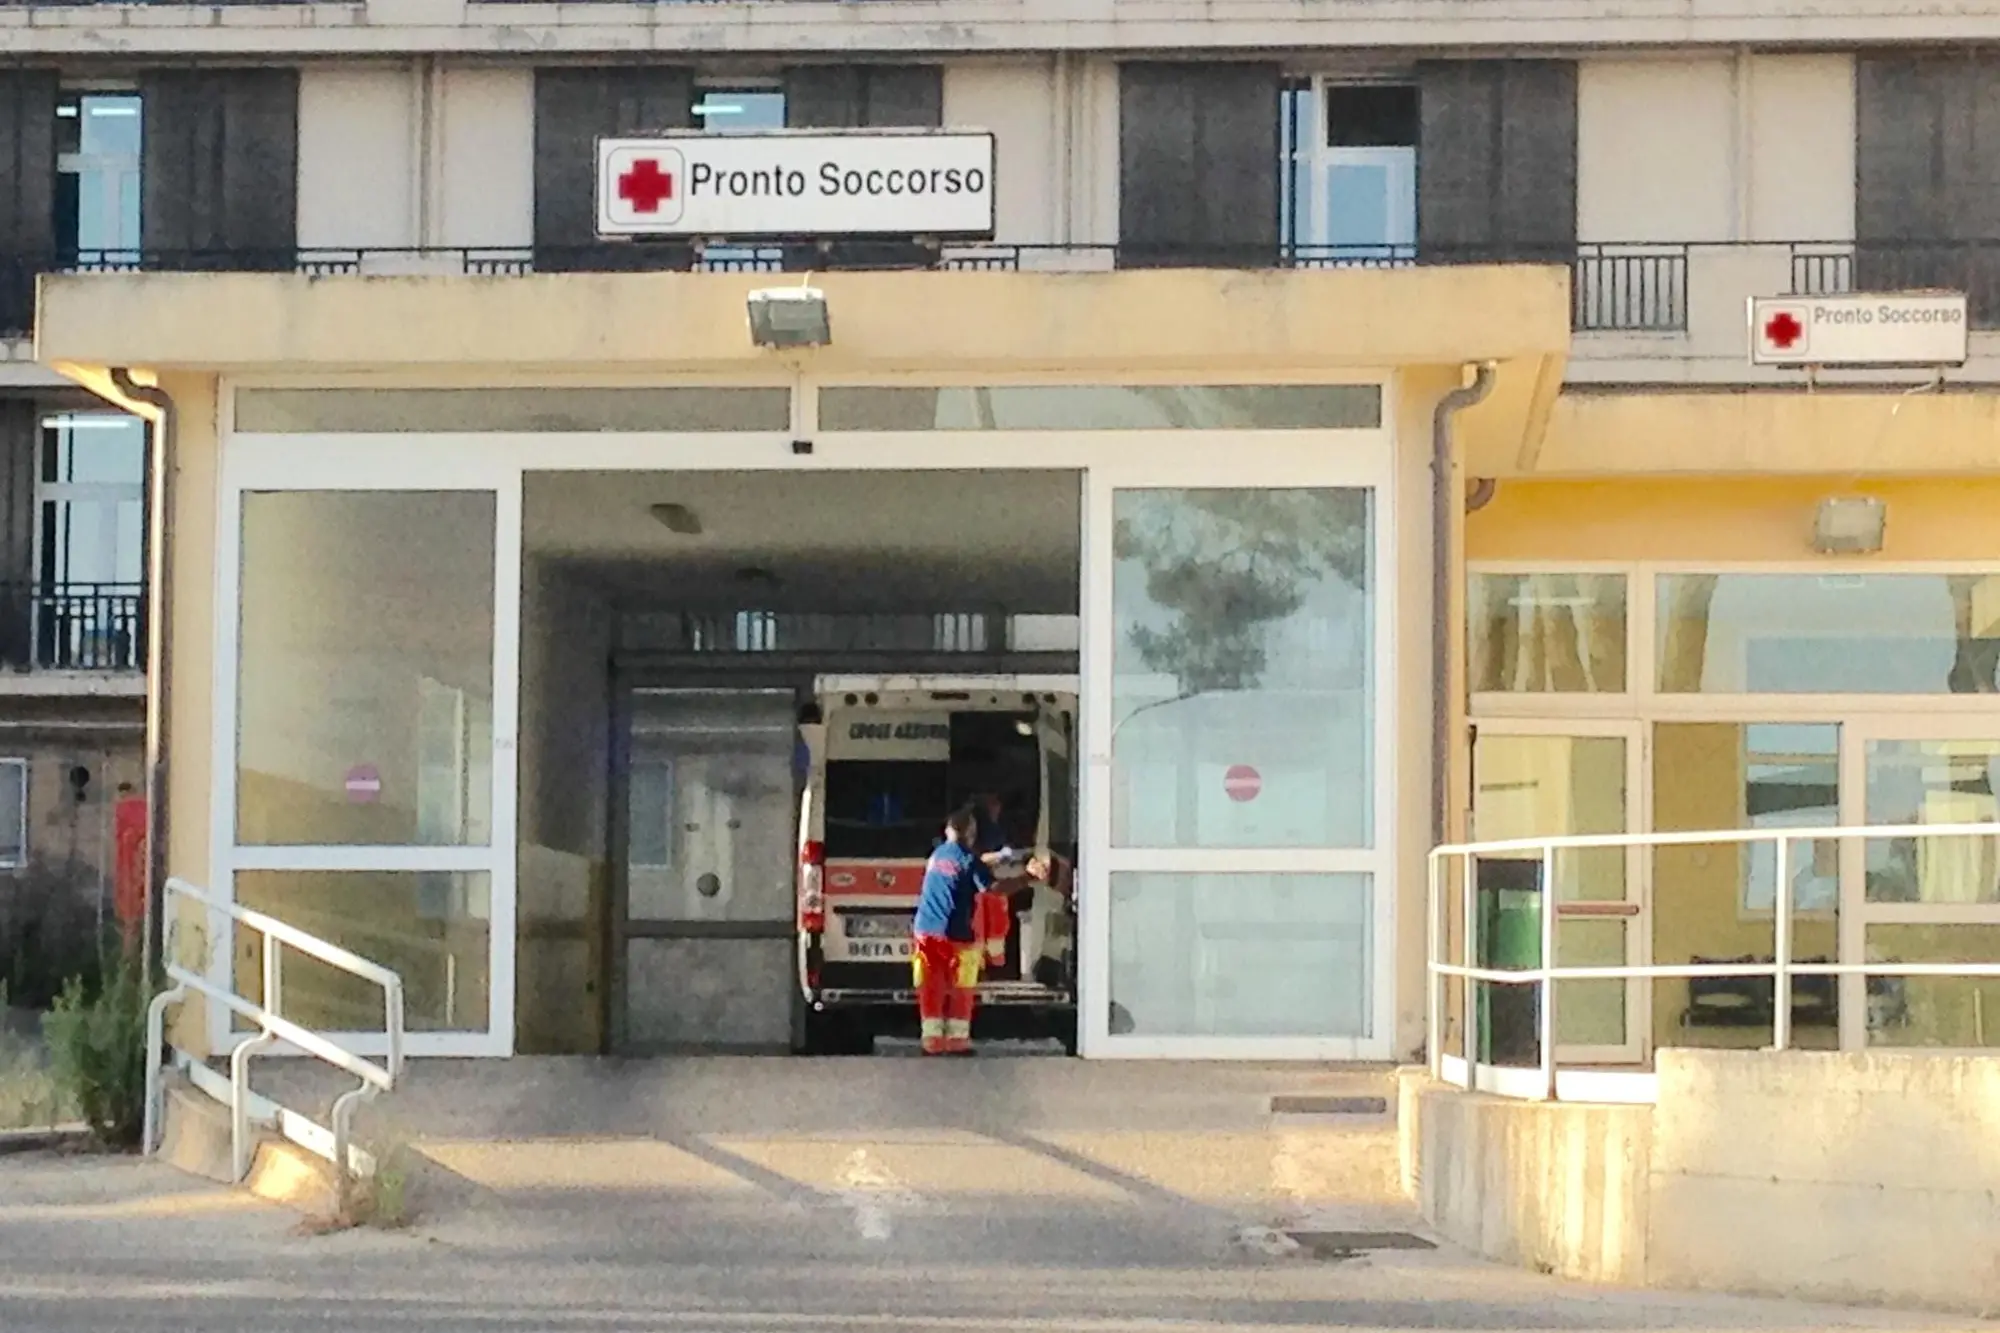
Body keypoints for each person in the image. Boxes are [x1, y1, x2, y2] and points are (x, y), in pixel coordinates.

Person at [912, 808, 989, 1055]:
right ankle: (957, 1042)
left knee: (931, 987)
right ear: (970, 832)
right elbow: (994, 888)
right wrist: (1027, 878)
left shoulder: (937, 855)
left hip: (926, 931)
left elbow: (956, 870)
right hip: (957, 935)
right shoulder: (969, 859)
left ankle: (932, 1042)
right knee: (961, 988)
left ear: (948, 831)